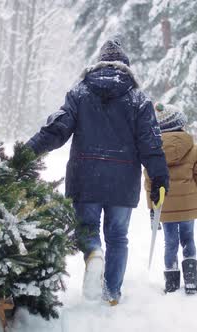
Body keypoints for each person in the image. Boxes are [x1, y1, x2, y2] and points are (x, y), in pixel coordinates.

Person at [26, 39, 169, 305]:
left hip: (86, 175)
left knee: (87, 227)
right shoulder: (139, 99)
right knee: (117, 236)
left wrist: (28, 152)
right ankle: (112, 293)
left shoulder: (79, 92)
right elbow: (151, 143)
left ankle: (93, 253)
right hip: (123, 181)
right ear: (126, 67)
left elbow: (58, 129)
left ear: (98, 63)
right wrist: (160, 177)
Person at [143, 103, 197, 295]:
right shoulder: (194, 150)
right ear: (179, 124)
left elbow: (149, 183)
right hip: (189, 205)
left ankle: (171, 283)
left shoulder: (153, 152)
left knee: (170, 242)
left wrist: (152, 209)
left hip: (166, 206)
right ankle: (190, 281)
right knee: (188, 239)